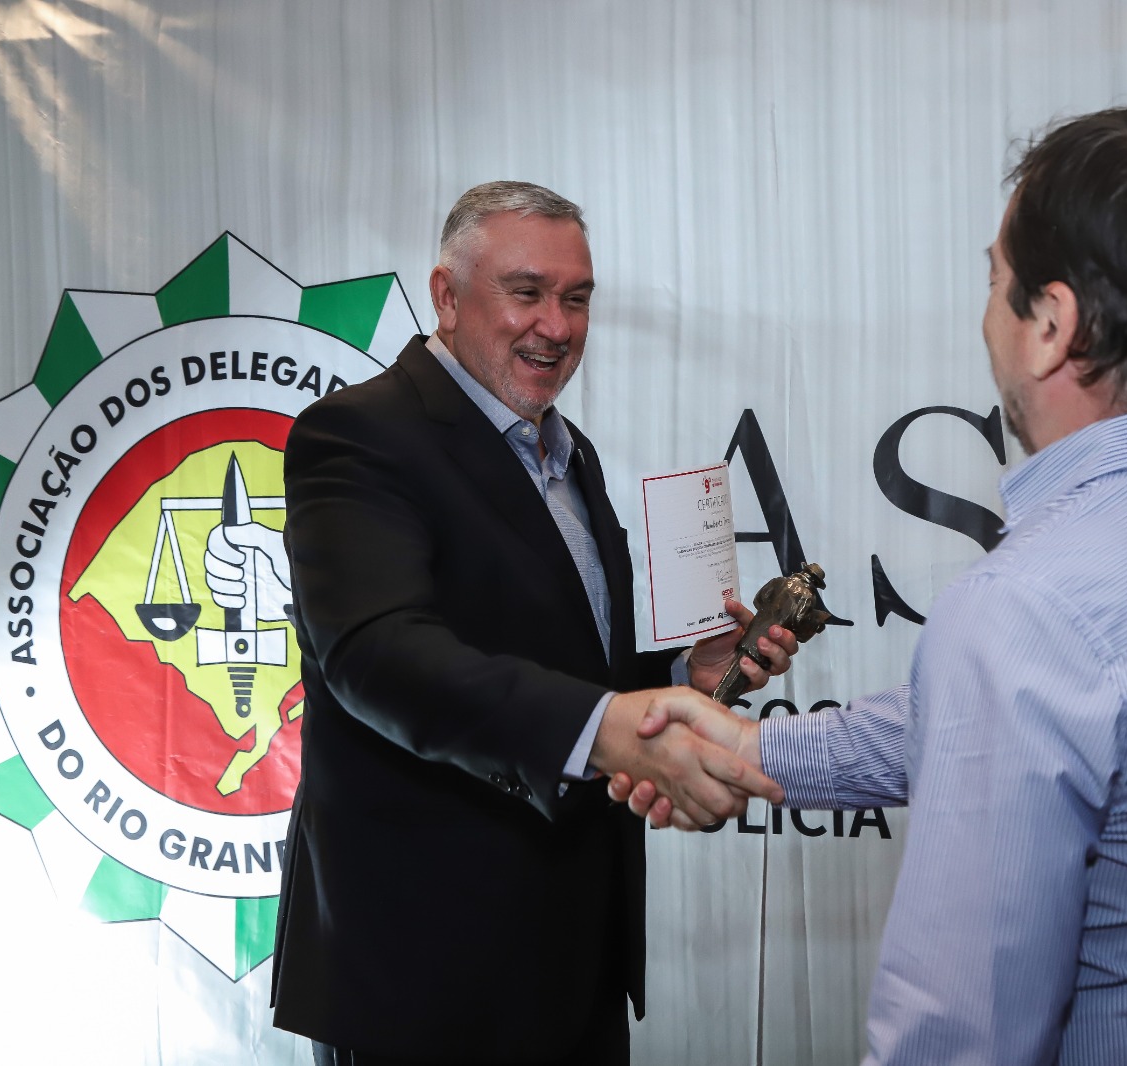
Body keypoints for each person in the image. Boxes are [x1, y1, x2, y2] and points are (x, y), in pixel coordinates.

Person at [612, 108, 1127, 1064]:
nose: (986, 315)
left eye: (994, 279)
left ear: (1051, 326)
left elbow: (957, 1040)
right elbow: (1028, 719)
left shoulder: (1031, 609)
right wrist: (754, 748)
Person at [269, 181, 795, 1066]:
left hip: (573, 961)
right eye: (527, 293)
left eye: (576, 298)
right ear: (446, 296)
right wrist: (610, 727)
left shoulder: (568, 449)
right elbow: (376, 656)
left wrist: (681, 677)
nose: (557, 326)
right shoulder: (357, 434)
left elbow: (567, 665)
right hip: (424, 977)